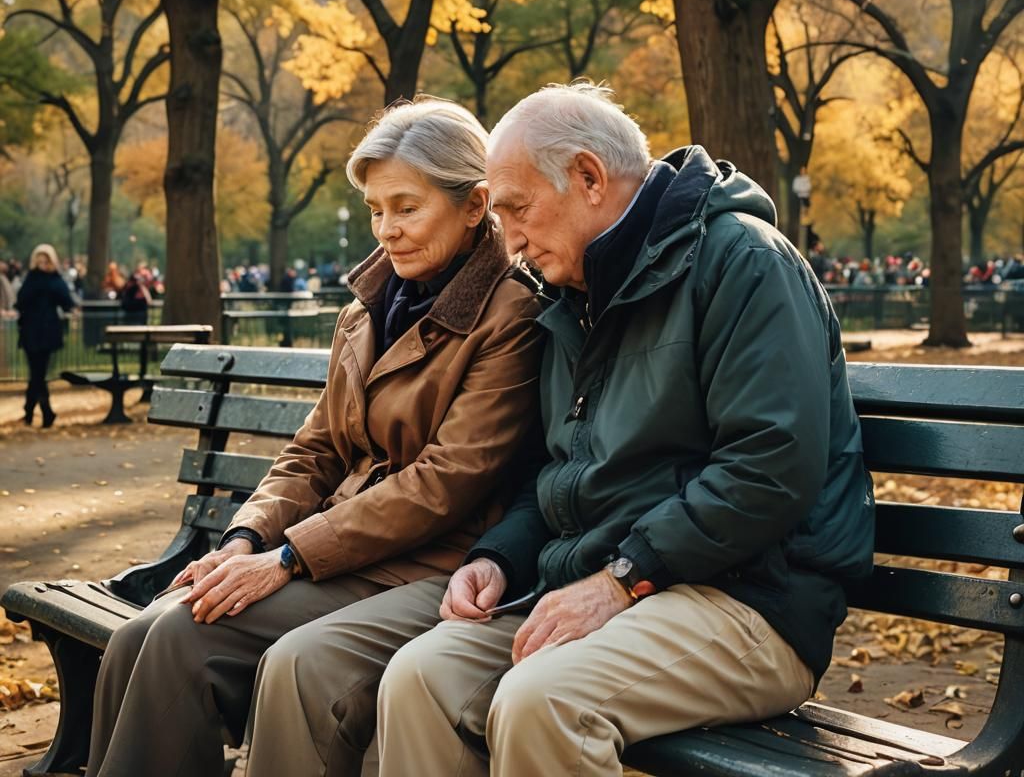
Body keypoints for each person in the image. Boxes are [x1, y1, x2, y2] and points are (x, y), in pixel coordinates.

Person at [310, 81, 874, 777]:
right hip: (613, 580)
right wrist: (500, 558)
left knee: (542, 702)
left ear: (589, 178)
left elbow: (768, 467)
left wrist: (623, 579)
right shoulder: (571, 295)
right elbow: (557, 473)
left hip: (750, 599)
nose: (508, 238)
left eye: (517, 208)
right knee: (422, 674)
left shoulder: (744, 262)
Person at [85, 99, 545, 777]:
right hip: (336, 549)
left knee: (182, 638)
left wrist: (286, 559)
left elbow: (444, 483)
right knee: (139, 635)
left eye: (406, 207)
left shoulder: (513, 312)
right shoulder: (366, 308)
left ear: (476, 205)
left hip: (432, 559)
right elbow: (315, 449)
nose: (386, 230)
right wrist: (246, 536)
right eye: (374, 210)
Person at [16, 244, 75, 428]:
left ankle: (32, 412)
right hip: (31, 330)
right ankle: (41, 412)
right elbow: (21, 301)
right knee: (37, 374)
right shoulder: (34, 279)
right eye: (39, 260)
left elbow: (67, 301)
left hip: (46, 331)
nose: (42, 264)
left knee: (37, 374)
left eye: (45, 260)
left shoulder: (52, 280)